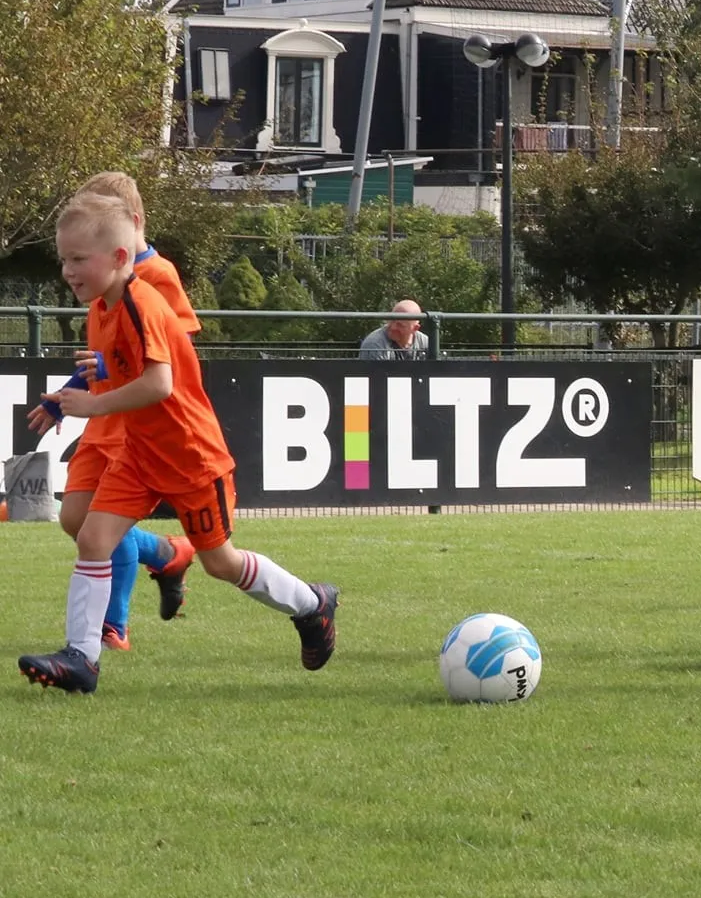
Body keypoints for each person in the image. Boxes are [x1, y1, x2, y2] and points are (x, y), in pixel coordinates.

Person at [22, 193, 338, 694]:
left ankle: (312, 604)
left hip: (190, 456)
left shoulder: (141, 300)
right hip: (139, 453)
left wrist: (92, 405)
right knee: (91, 537)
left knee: (221, 562)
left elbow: (159, 384)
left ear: (120, 258)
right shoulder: (101, 307)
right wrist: (74, 393)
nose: (67, 269)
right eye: (64, 258)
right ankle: (82, 660)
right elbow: (116, 368)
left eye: (79, 258)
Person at [25, 172, 196, 653]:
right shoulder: (100, 279)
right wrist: (68, 391)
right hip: (103, 415)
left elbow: (173, 353)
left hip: (133, 418)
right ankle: (163, 553)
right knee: (75, 520)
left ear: (129, 223)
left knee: (101, 525)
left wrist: (111, 371)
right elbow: (102, 354)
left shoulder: (155, 278)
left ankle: (110, 624)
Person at [360, 300, 429, 359]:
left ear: (415, 328)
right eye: (392, 320)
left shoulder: (425, 343)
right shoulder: (375, 345)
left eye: (400, 325)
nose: (393, 327)